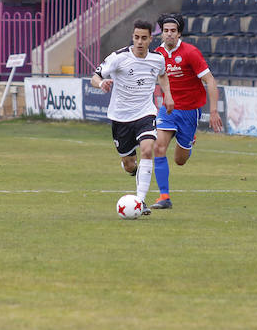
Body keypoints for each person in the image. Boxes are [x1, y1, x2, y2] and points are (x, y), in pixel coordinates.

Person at [91, 20, 174, 216]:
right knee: (130, 163)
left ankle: (140, 201)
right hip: (120, 117)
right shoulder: (118, 57)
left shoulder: (157, 59)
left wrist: (168, 95)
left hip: (145, 113)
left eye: (144, 38)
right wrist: (101, 84)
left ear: (150, 39)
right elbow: (95, 76)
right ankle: (131, 169)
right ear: (133, 37)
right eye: (136, 37)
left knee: (147, 150)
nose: (139, 42)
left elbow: (162, 75)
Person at [150, 13, 223, 210]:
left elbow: (210, 80)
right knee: (158, 147)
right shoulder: (157, 54)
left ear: (179, 33)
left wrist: (214, 110)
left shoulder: (190, 52)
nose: (169, 34)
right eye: (166, 31)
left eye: (173, 31)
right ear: (161, 34)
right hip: (168, 109)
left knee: (180, 160)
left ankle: (189, 143)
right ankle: (164, 196)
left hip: (190, 111)